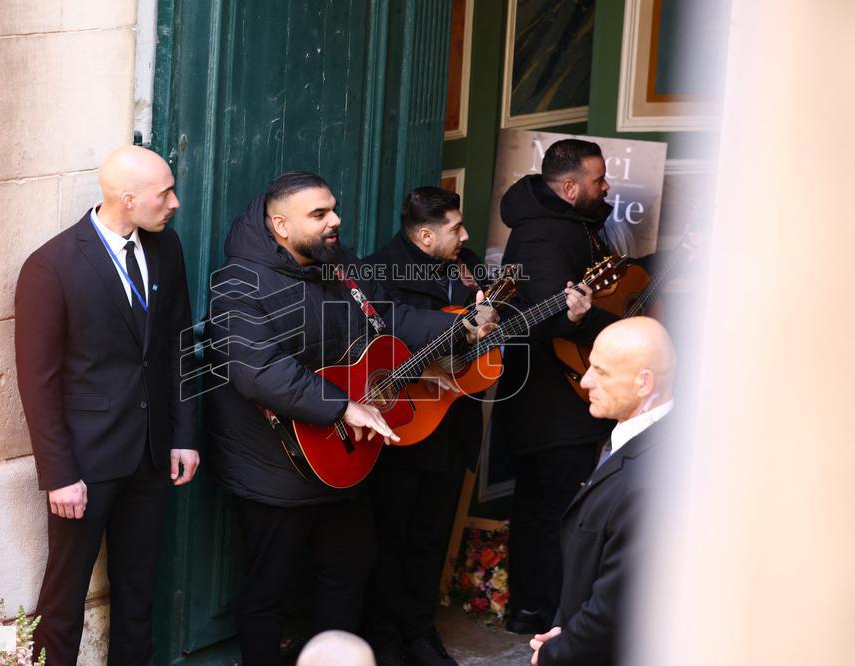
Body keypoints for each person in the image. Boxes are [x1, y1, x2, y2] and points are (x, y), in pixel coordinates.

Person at [203, 171, 496, 665]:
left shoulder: (339, 264)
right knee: (269, 586)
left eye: (333, 208)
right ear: (279, 225)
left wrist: (455, 327)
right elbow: (259, 370)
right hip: (272, 461)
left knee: (349, 568)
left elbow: (388, 316)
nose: (335, 220)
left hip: (343, 459)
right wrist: (341, 405)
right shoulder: (238, 282)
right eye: (319, 215)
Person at [15, 145, 200, 665]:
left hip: (151, 455)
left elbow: (179, 345)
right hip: (85, 465)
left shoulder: (168, 249)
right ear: (128, 197)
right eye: (164, 193)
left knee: (139, 594)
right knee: (65, 599)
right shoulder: (50, 266)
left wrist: (184, 433)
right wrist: (58, 473)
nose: (175, 203)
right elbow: (38, 382)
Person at [490, 138, 620, 634]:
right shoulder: (544, 236)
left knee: (541, 508)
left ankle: (531, 612)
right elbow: (548, 317)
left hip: (555, 400)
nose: (606, 187)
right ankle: (548, 619)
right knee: (556, 513)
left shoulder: (574, 224)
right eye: (597, 180)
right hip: (550, 402)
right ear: (569, 188)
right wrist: (621, 328)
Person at [359, 186, 486, 666]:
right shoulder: (376, 272)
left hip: (452, 426)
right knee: (390, 540)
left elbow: (493, 323)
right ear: (427, 235)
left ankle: (420, 633)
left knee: (431, 537)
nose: (466, 235)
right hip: (403, 425)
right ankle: (385, 640)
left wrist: (493, 324)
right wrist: (441, 346)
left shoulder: (467, 266)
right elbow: (374, 341)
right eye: (456, 227)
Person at [528, 317, 676, 666]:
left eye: (602, 372)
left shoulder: (652, 479)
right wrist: (565, 627)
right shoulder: (634, 438)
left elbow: (617, 609)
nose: (586, 380)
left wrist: (555, 654)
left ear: (644, 382)